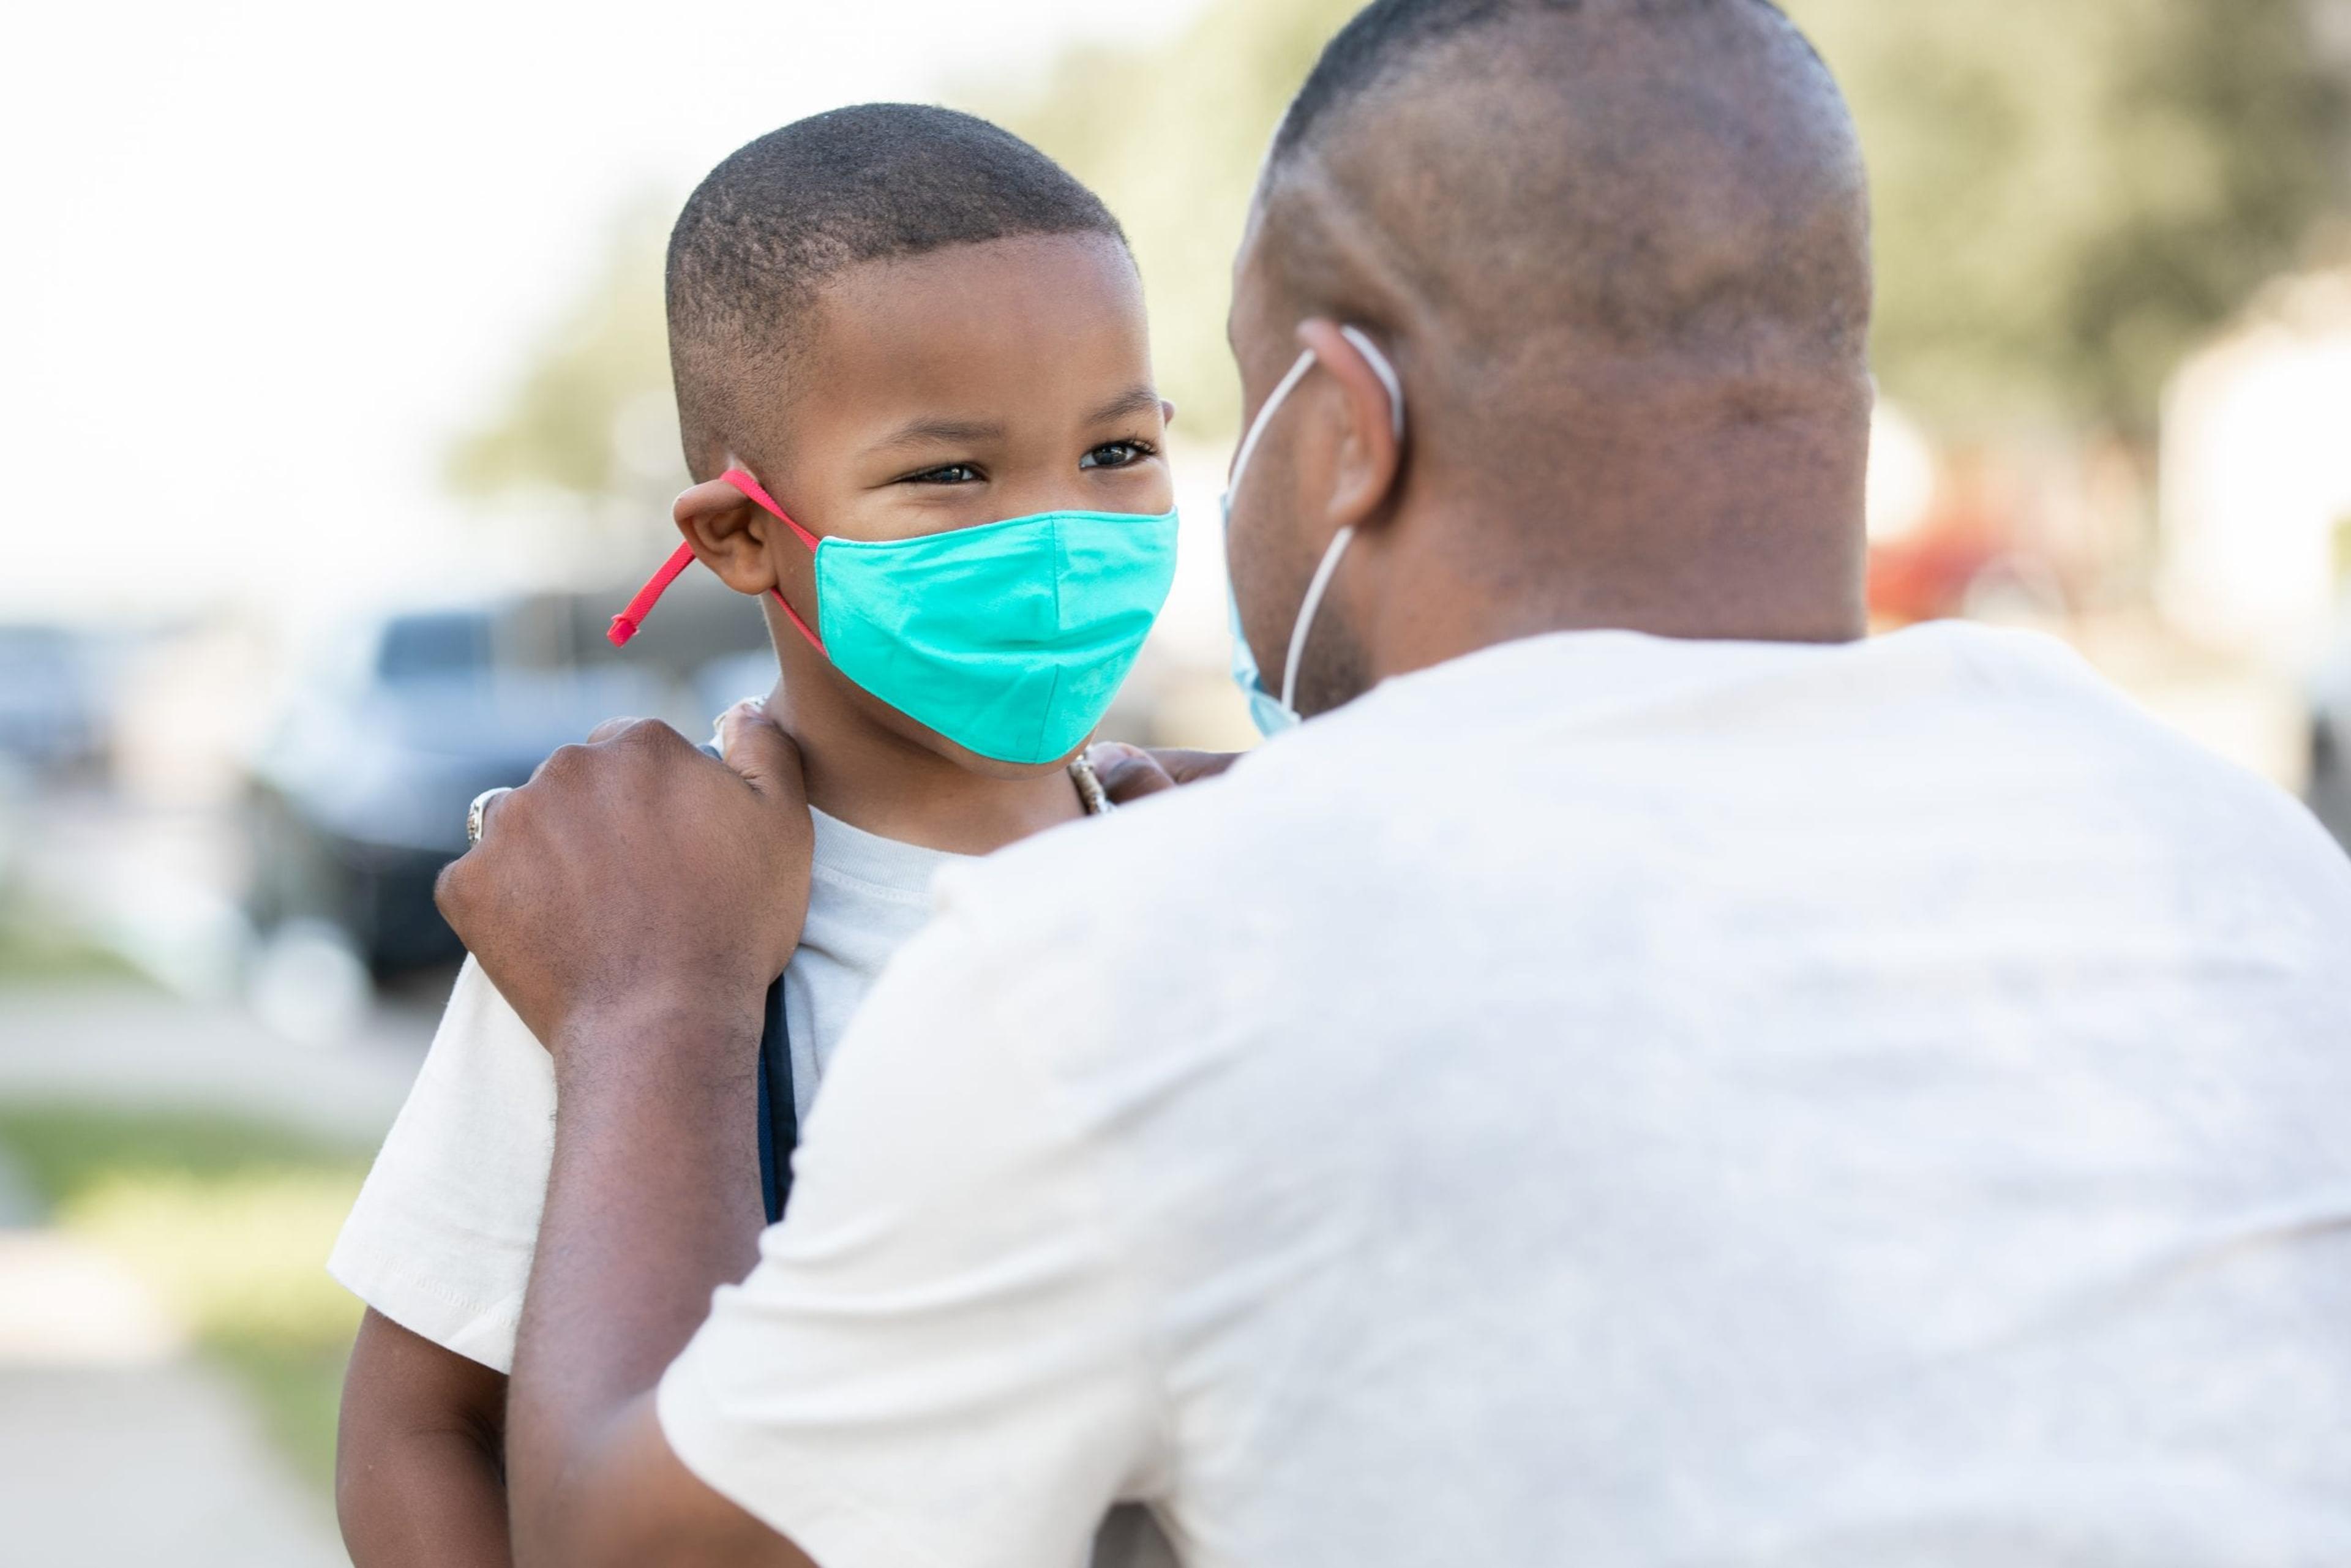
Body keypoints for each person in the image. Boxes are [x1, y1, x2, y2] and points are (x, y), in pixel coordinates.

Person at [443, 1, 2351, 1563]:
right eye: (964, 473)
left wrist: (650, 1004)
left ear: (1341, 426)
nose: (1083, 523)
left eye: (1145, 441)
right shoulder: (2246, 872)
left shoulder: (1126, 972)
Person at [328, 104, 1182, 1567]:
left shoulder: (1211, 882)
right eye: (954, 476)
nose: (1059, 533)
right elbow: (421, 1430)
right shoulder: (629, 936)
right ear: (741, 537)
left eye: (1115, 450)